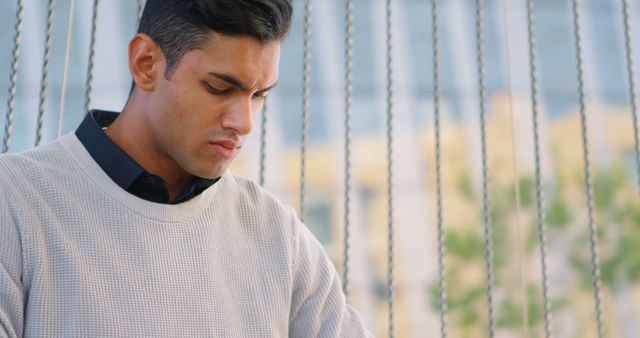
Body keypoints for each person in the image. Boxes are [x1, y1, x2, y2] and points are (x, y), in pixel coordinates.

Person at [0, 0, 371, 336]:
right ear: (146, 64)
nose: (244, 122)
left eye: (258, 96)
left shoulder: (278, 234)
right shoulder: (14, 200)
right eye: (219, 88)